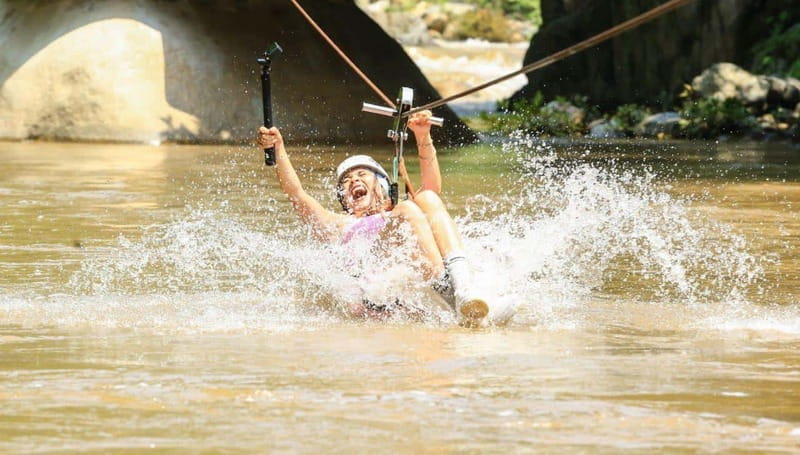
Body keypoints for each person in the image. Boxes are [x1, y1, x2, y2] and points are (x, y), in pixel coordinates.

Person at [256, 110, 489, 324]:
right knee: (408, 209)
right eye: (346, 181)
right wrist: (279, 149)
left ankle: (463, 287)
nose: (353, 181)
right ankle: (452, 294)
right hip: (376, 290)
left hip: (422, 280)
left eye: (361, 175)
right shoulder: (340, 223)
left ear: (383, 185)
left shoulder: (402, 211)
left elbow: (432, 189)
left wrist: (422, 135)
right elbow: (296, 193)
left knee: (427, 197)